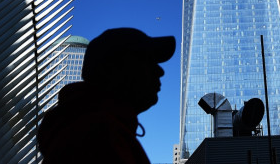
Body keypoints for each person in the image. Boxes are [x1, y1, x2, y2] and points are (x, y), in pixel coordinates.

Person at [37, 28, 176, 163]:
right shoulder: (97, 136)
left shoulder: (95, 128)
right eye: (148, 60)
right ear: (117, 68)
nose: (160, 71)